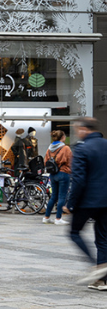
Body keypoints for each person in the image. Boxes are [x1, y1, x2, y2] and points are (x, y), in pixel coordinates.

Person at [67, 117, 107, 289]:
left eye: (77, 129)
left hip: (87, 200)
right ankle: (102, 279)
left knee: (74, 232)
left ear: (84, 129)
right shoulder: (106, 144)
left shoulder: (82, 148)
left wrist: (70, 203)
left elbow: (78, 179)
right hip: (105, 200)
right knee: (103, 238)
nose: (77, 133)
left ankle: (96, 267)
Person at [44, 129, 72, 226]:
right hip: (63, 173)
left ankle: (46, 217)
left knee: (54, 196)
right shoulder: (66, 148)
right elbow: (70, 161)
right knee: (62, 196)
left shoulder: (49, 148)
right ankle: (58, 218)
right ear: (63, 137)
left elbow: (45, 162)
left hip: (53, 174)